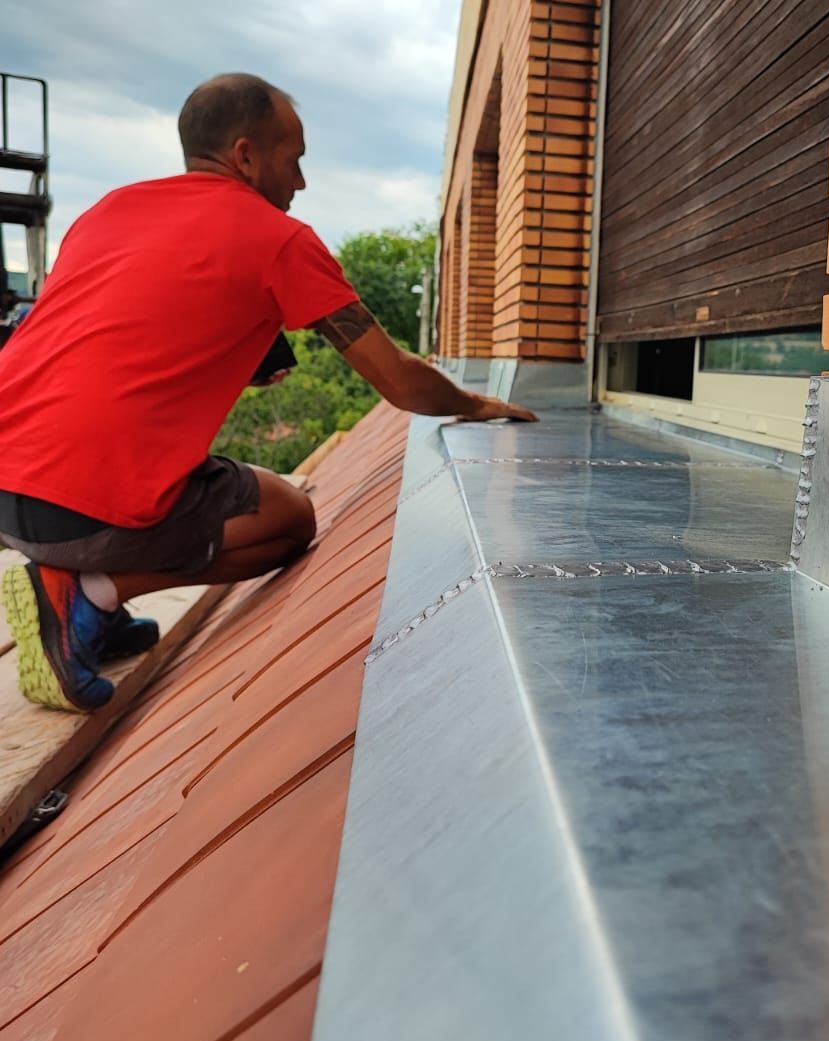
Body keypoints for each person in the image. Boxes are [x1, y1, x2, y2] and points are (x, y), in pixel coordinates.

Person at [0, 73, 533, 714]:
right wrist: (477, 405)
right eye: (295, 159)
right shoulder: (278, 239)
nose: (301, 182)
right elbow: (398, 380)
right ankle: (90, 592)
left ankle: (98, 611)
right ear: (247, 156)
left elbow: (97, 340)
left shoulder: (108, 209)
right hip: (83, 508)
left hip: (9, 488)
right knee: (289, 518)